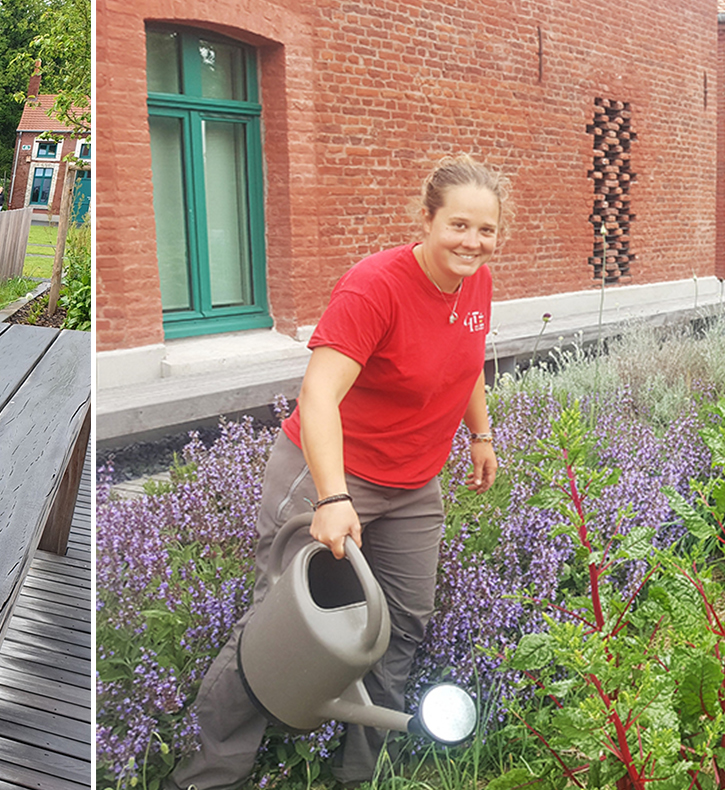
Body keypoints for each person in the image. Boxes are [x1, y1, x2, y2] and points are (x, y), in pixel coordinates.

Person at [165, 154, 504, 789]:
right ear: (427, 219)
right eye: (459, 225)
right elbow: (317, 396)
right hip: (329, 472)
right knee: (283, 625)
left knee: (400, 625)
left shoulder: (475, 282)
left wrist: (479, 434)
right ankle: (206, 776)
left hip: (414, 486)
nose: (472, 242)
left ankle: (360, 776)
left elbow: (467, 358)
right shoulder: (375, 286)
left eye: (486, 231)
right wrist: (332, 495)